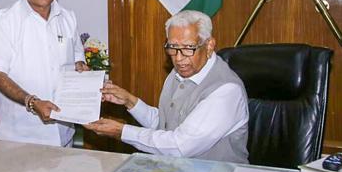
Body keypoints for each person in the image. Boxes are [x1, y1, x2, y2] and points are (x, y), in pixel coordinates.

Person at [84, 10, 249, 163]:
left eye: (188, 48)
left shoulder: (226, 91)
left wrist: (122, 132)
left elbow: (179, 146)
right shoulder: (180, 72)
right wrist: (130, 101)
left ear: (209, 45)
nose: (178, 58)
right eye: (172, 47)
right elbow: (165, 125)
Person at [0, 0, 89, 147]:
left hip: (63, 133)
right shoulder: (5, 20)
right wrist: (32, 102)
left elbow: (78, 61)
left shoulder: (68, 18)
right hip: (21, 137)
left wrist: (82, 70)